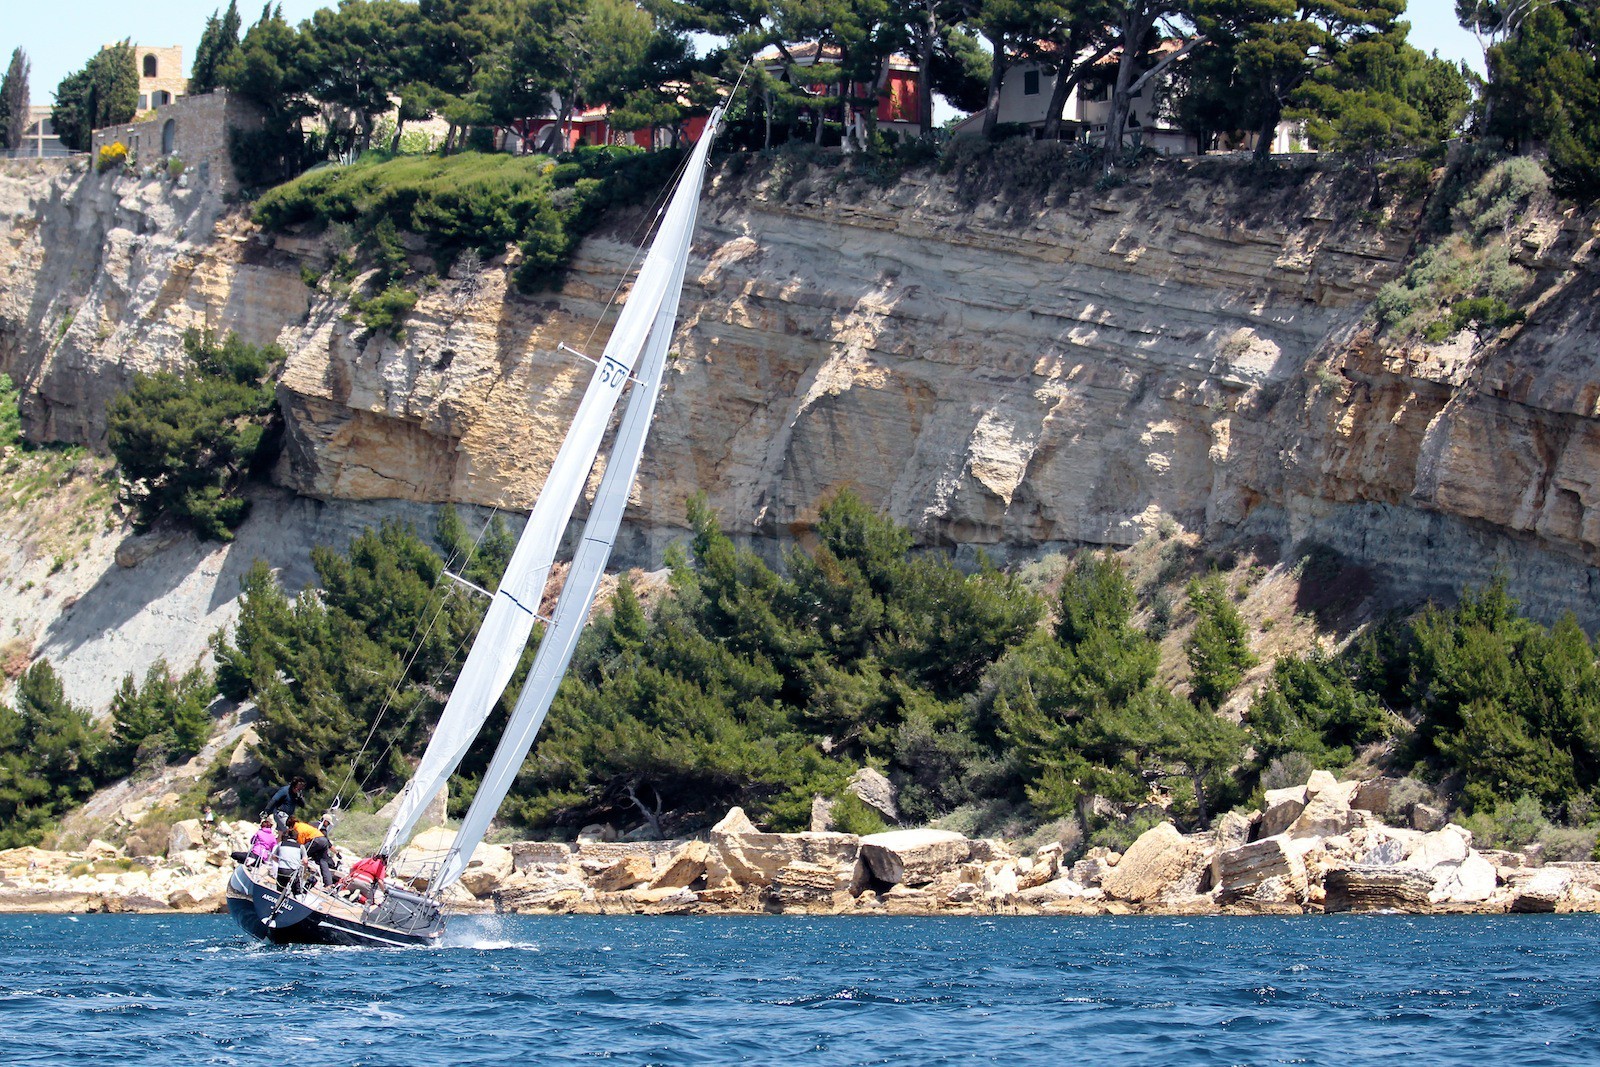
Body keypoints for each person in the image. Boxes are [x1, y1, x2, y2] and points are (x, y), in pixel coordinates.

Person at [289, 817, 336, 889]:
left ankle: (304, 876)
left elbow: (300, 845)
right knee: (323, 862)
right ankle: (328, 884)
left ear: (291, 826)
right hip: (323, 840)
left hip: (316, 840)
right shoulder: (302, 825)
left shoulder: (299, 829)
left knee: (300, 856)